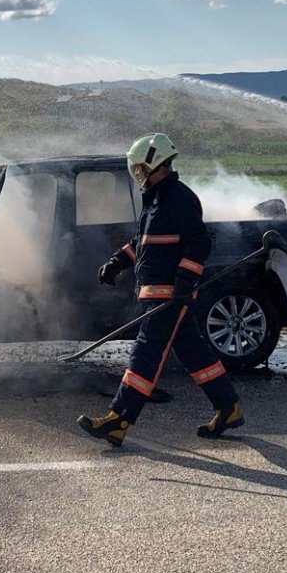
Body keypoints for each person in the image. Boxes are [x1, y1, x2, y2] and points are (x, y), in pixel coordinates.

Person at [77, 133, 244, 447]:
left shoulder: (180, 198)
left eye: (141, 169)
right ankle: (228, 407)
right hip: (155, 292)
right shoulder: (154, 200)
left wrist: (183, 284)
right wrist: (116, 263)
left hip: (168, 296)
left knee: (145, 355)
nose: (138, 175)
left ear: (156, 164)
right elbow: (142, 245)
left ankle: (118, 419)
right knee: (193, 353)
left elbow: (198, 244)